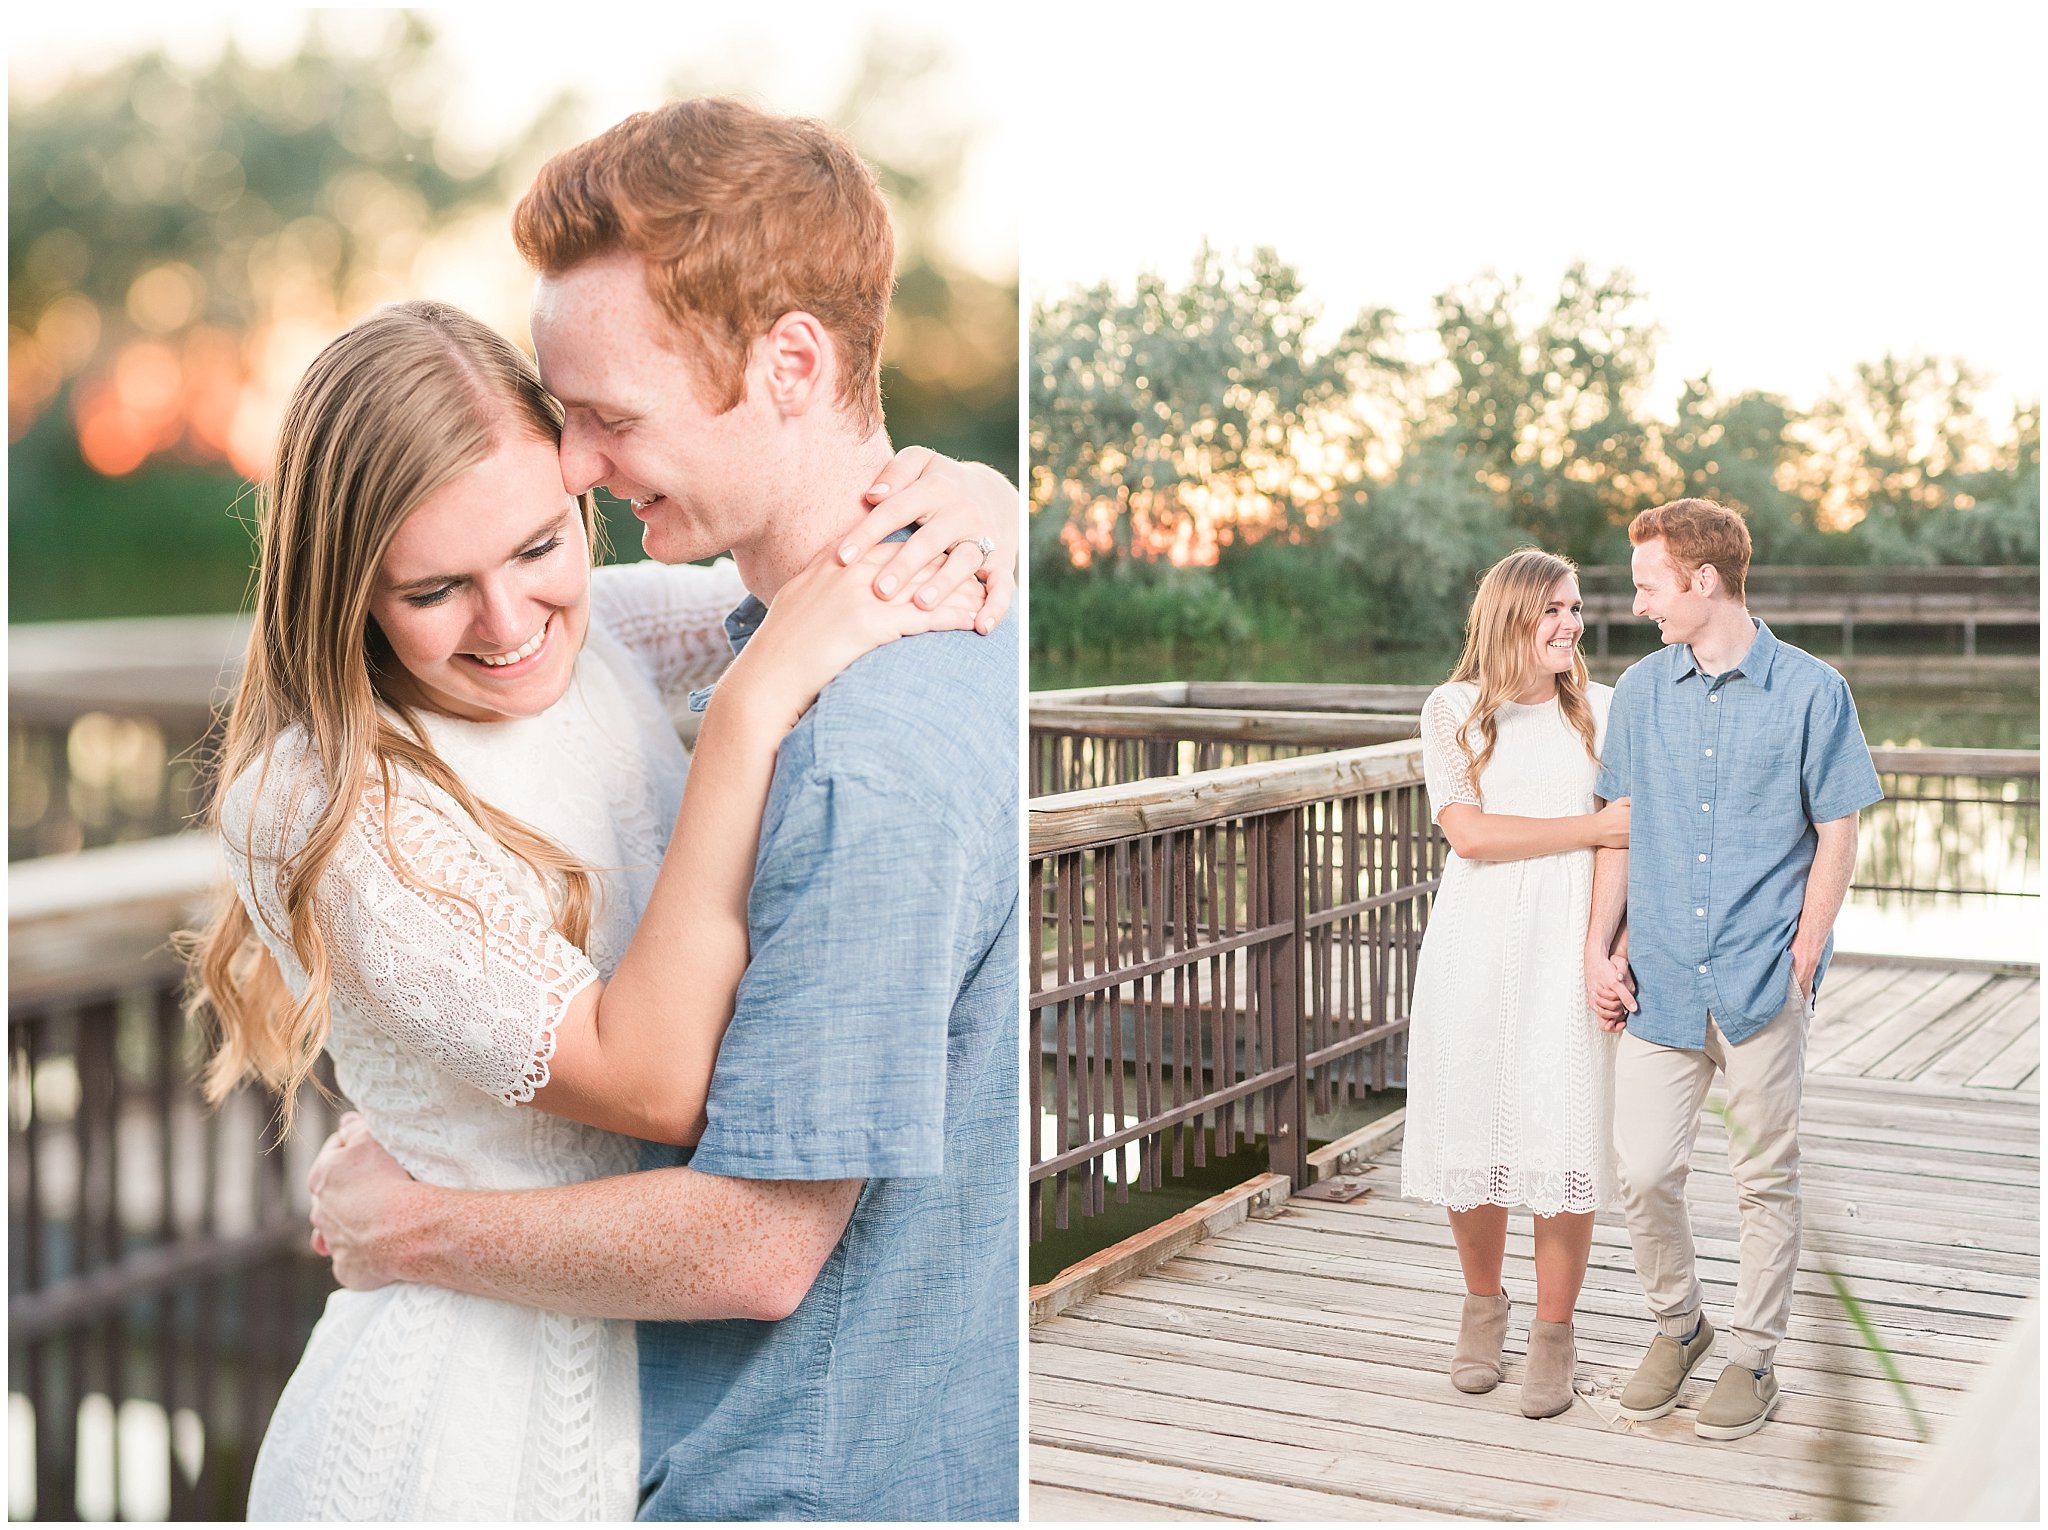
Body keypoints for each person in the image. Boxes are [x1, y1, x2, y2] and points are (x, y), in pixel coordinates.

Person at [300, 99, 1021, 1520]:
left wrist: (417, 1223)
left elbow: (757, 1246)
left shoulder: (853, 746)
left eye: (607, 416)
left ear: (793, 362)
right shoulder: (841, 629)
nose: (570, 463)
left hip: (791, 1478)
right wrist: (994, 497)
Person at [1586, 498, 1882, 1441]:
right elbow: (1620, 827)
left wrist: (1806, 949)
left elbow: (1839, 827)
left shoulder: (1812, 691)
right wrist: (1600, 945)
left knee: (1764, 1177)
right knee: (1640, 1170)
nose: (1637, 605)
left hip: (1761, 978)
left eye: (1648, 585)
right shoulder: (1639, 692)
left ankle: (1752, 1356)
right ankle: (1682, 1326)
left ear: (1702, 580)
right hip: (1660, 977)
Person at [1404, 547, 1630, 1419]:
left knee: (1562, 1131)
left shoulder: (1605, 714)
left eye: (1575, 609)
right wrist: (1589, 824)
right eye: (1552, 611)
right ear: (1510, 618)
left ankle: (1553, 1334)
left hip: (1570, 943)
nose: (1570, 625)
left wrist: (1606, 940)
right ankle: (1482, 1305)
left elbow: (1628, 834)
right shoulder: (1454, 709)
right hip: (1479, 941)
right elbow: (1470, 835)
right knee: (1478, 1124)